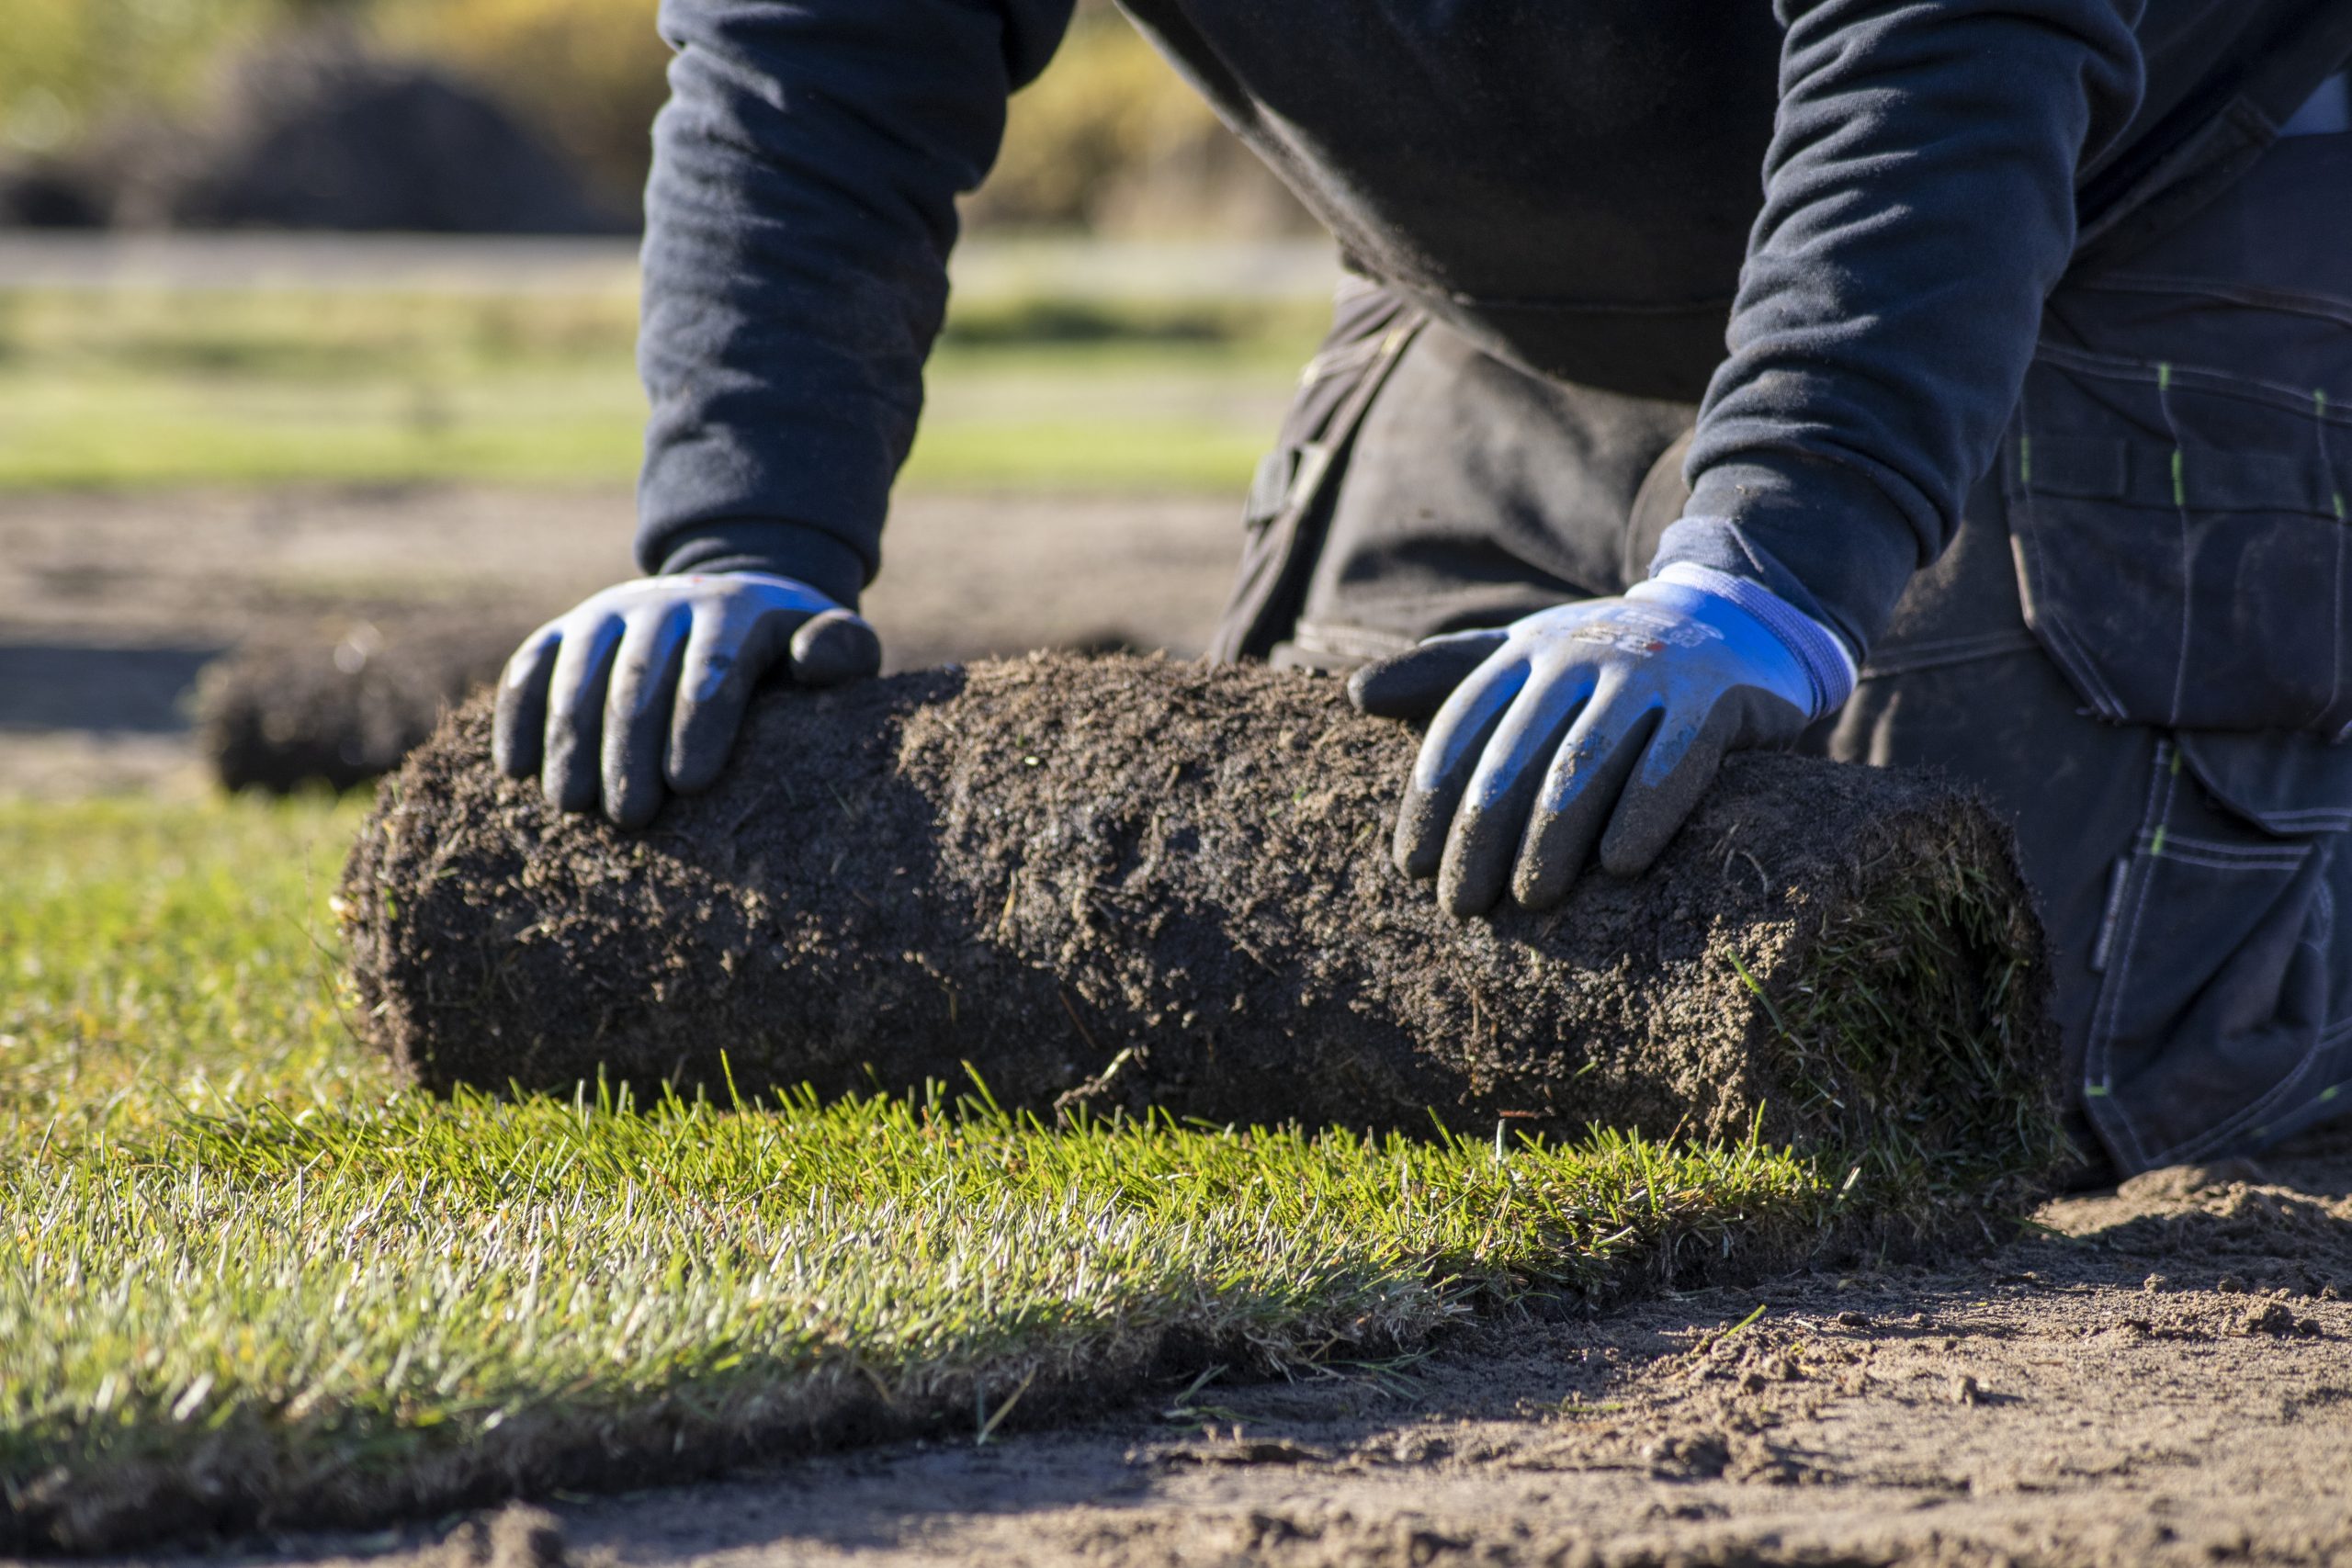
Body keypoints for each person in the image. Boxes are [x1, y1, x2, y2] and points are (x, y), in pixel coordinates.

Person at [493, 0, 2352, 1177]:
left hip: (2123, 187)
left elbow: (1947, 45)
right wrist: (742, 531)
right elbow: (818, 49)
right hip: (1490, 283)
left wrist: (1768, 558)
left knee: (2046, 1040)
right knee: (1320, 974)